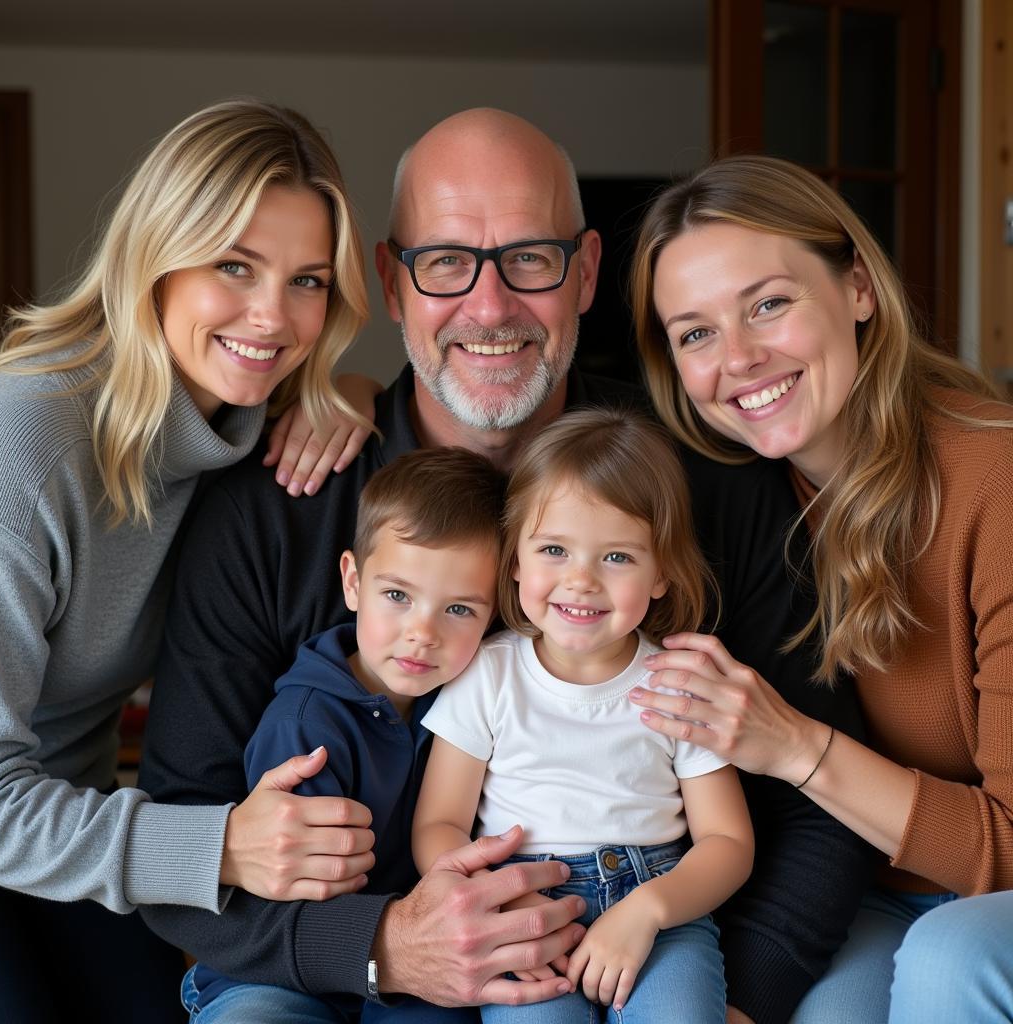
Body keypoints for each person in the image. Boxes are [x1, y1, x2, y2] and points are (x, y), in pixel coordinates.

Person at [138, 109, 869, 1024]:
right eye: (446, 261)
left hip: (644, 949)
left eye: (530, 258)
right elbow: (179, 831)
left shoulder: (703, 478)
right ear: (392, 284)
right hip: (295, 966)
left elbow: (819, 789)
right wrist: (380, 951)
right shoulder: (278, 501)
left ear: (589, 273)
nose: (489, 308)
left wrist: (742, 995)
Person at [0, 98, 374, 1023]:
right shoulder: (29, 436)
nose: (273, 316)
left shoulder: (246, 431)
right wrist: (221, 848)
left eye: (309, 281)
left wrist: (355, 393)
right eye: (234, 266)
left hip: (65, 842)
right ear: (154, 259)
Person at [627, 153, 1013, 1024]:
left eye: (769, 304)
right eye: (695, 334)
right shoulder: (734, 492)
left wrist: (794, 745)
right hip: (886, 892)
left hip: (985, 895)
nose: (740, 359)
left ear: (859, 288)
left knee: (949, 964)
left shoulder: (996, 481)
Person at [413, 408, 755, 1023]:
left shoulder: (679, 684)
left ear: (661, 574)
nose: (581, 580)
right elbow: (439, 824)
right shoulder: (488, 675)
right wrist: (492, 911)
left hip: (660, 910)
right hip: (524, 911)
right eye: (553, 549)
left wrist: (648, 910)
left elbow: (727, 842)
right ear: (513, 559)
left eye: (618, 557)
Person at [185, 446, 508, 1022]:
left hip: (421, 965)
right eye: (397, 596)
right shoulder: (305, 724)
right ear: (353, 582)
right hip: (285, 966)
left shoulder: (478, 705)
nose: (421, 633)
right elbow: (292, 897)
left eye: (458, 609)